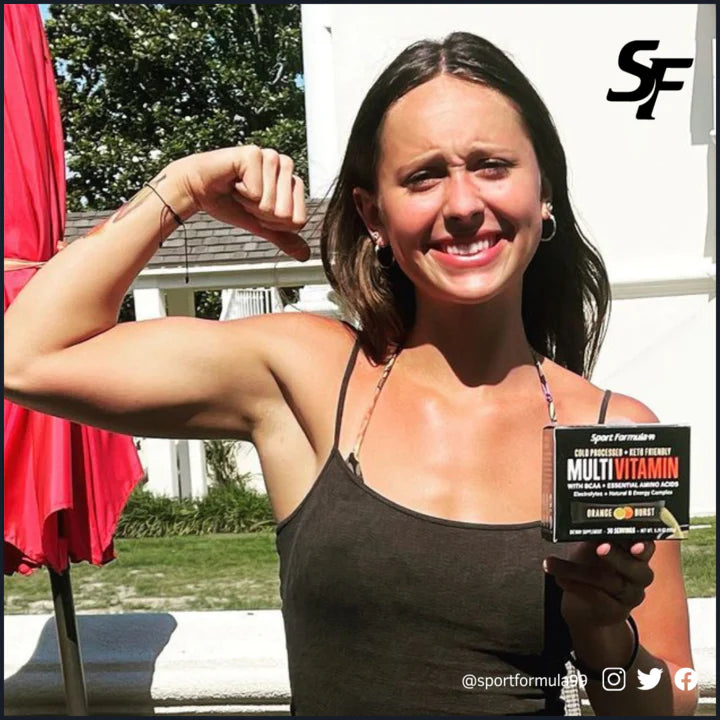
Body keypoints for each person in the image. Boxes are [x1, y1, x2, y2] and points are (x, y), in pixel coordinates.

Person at [4, 32, 697, 716]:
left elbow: (668, 704)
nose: (461, 203)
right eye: (423, 176)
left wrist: (605, 634)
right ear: (373, 215)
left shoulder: (614, 434)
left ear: (543, 189)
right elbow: (25, 357)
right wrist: (183, 185)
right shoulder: (308, 377)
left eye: (490, 165)